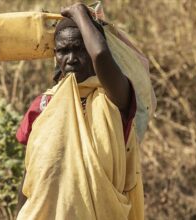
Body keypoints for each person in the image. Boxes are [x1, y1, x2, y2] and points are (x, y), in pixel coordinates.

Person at [15, 3, 145, 219]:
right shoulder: (44, 105)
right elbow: (31, 175)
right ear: (55, 55)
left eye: (81, 48)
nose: (71, 59)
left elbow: (102, 54)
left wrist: (79, 13)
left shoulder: (115, 97)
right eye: (64, 51)